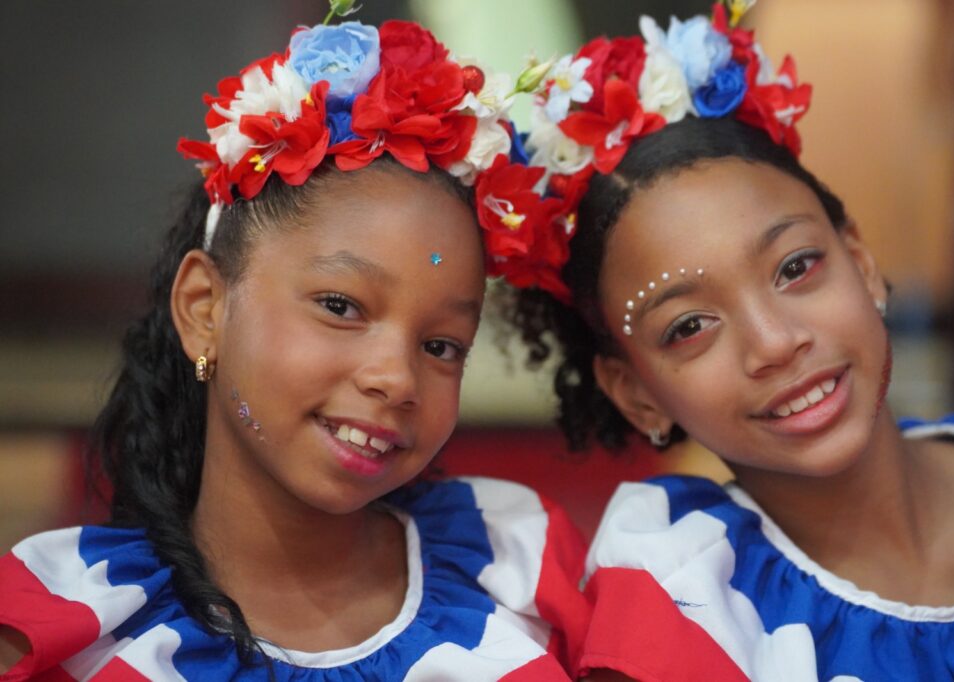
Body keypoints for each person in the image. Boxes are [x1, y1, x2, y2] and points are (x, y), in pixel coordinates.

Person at [0, 7, 588, 680]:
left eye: (442, 346)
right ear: (204, 309)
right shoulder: (64, 626)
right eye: (341, 307)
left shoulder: (518, 568)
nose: (396, 379)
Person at [505, 3, 954, 680]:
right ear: (636, 393)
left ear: (862, 263)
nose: (774, 344)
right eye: (689, 328)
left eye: (795, 267)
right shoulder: (686, 603)